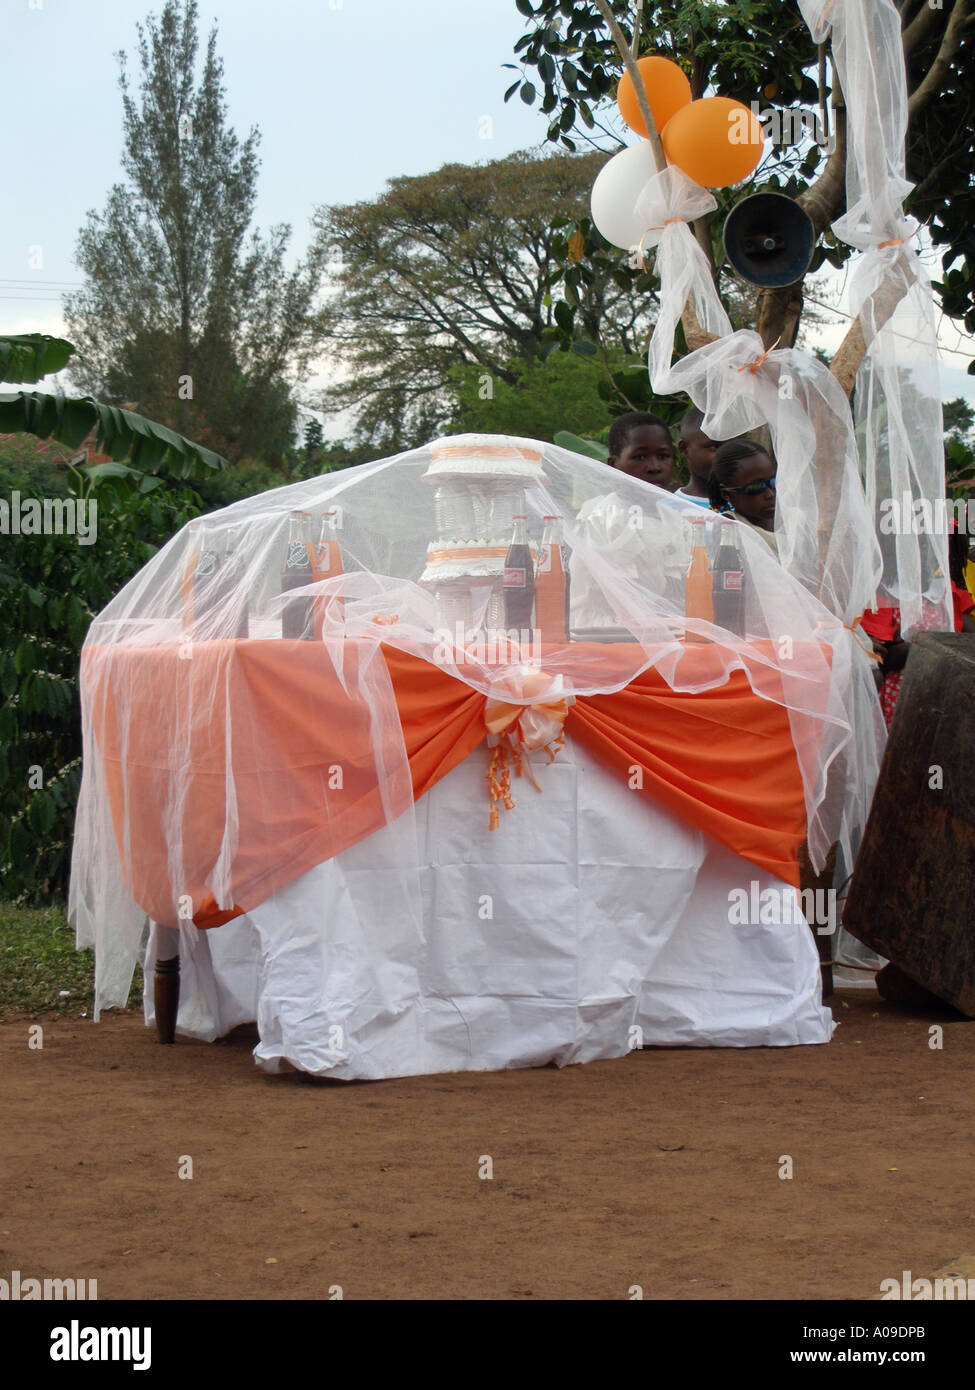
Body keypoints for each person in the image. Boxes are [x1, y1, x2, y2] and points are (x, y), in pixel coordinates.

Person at [707, 438, 778, 555]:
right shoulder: (729, 530)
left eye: (773, 482)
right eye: (755, 487)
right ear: (726, 493)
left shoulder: (795, 521)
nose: (770, 494)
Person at [606, 412, 676, 491]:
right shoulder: (607, 503)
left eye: (663, 456)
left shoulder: (681, 503)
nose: (654, 467)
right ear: (613, 466)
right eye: (640, 457)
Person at [676, 407, 719, 507]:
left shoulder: (749, 506)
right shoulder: (669, 508)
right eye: (714, 447)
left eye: (731, 446)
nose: (725, 455)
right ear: (684, 449)